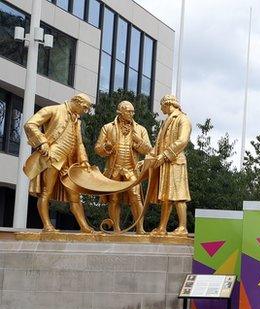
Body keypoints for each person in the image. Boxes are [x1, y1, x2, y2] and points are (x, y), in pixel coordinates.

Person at [22, 93, 94, 233]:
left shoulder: (77, 120)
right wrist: (42, 142)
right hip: (52, 158)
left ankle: (85, 227)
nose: (85, 111)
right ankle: (47, 226)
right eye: (84, 107)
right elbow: (30, 124)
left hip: (69, 163)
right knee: (46, 192)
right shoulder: (53, 110)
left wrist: (84, 160)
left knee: (75, 196)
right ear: (77, 102)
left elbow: (79, 143)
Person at [94, 101, 152, 233]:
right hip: (113, 169)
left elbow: (149, 149)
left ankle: (140, 228)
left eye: (133, 111)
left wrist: (138, 141)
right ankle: (116, 229)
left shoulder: (140, 129)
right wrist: (106, 148)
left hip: (131, 169)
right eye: (129, 111)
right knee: (113, 199)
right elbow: (98, 148)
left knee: (136, 197)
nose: (132, 114)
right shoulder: (108, 128)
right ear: (120, 112)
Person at [146, 94, 192, 235]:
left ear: (168, 104)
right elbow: (158, 144)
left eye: (162, 106)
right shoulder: (166, 121)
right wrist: (149, 158)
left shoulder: (182, 119)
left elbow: (183, 141)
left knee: (179, 195)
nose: (161, 108)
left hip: (176, 162)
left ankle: (182, 227)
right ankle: (162, 227)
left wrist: (164, 155)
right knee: (167, 196)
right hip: (165, 163)